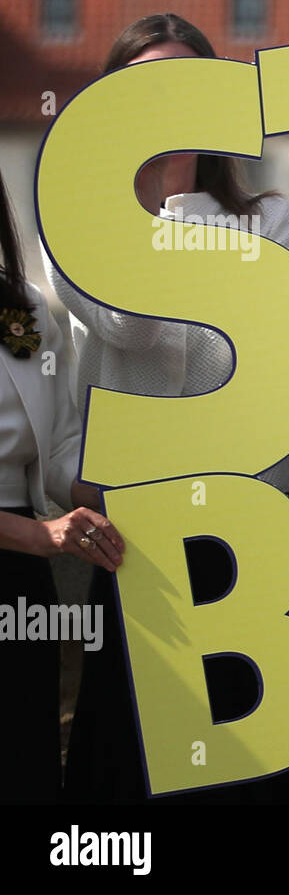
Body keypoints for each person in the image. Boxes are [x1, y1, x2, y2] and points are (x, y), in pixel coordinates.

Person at [44, 13, 289, 802]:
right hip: (145, 534)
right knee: (139, 760)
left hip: (254, 521)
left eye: (184, 87)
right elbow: (132, 320)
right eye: (145, 89)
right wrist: (154, 193)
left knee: (257, 749)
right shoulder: (78, 222)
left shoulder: (268, 218)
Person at [0, 168, 125, 802]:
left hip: (20, 580)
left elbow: (59, 452)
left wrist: (143, 495)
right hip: (28, 540)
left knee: (25, 764)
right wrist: (43, 533)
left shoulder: (21, 309)